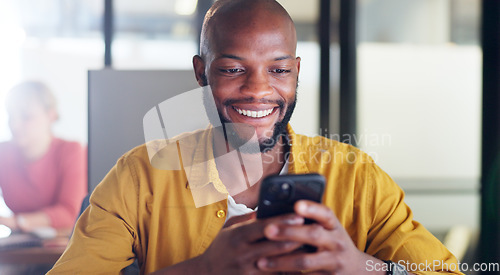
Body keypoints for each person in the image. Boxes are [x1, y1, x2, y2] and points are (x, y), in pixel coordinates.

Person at [49, 1, 463, 274]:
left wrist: (361, 266)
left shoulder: (356, 177)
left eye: (279, 70)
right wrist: (203, 269)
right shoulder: (140, 176)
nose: (258, 90)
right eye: (232, 69)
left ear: (297, 72)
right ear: (201, 71)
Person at [0, 81, 87, 233]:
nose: (14, 124)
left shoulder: (72, 151)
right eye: (10, 116)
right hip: (19, 247)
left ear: (51, 115)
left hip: (61, 247)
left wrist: (17, 222)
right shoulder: (4, 153)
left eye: (26, 117)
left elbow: (70, 212)